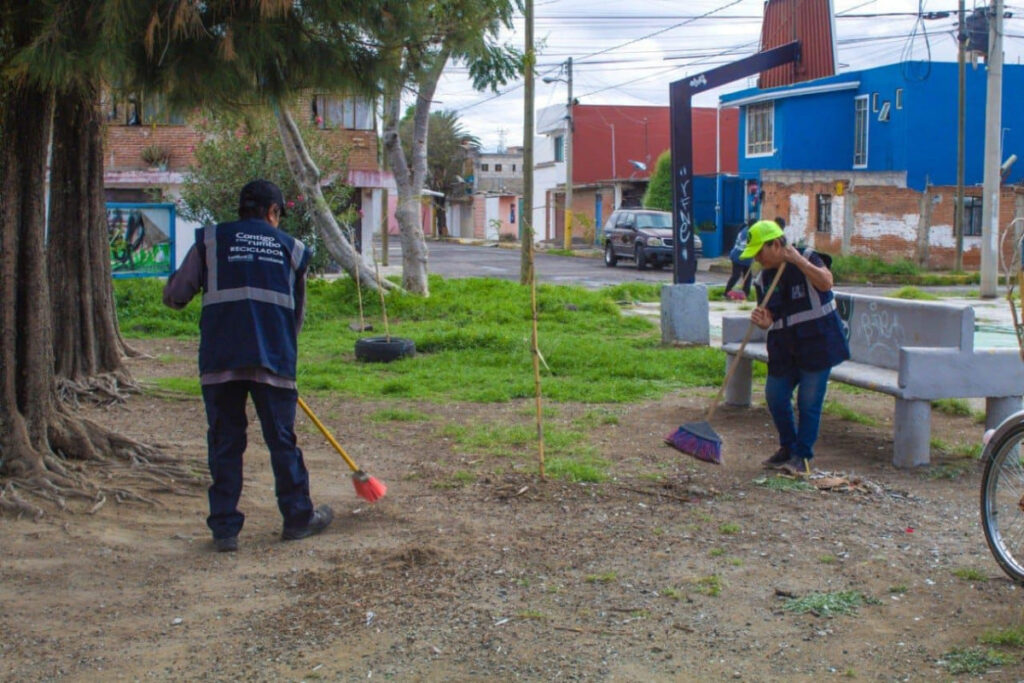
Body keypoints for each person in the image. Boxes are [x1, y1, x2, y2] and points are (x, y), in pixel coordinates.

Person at [163, 180, 333, 552]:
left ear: (241, 209)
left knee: (225, 442)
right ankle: (297, 519)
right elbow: (296, 318)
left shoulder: (210, 241)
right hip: (274, 360)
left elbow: (175, 297)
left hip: (220, 361)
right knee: (282, 441)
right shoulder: (293, 248)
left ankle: (225, 530)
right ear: (274, 212)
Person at [741, 220, 850, 475]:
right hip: (783, 346)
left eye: (760, 251)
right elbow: (770, 318)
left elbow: (826, 283)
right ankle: (788, 448)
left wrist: (799, 261)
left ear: (777, 244)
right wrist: (765, 321)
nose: (757, 258)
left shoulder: (808, 256)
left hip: (817, 342)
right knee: (776, 396)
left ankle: (803, 456)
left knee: (808, 402)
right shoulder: (763, 277)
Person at [724, 220, 754, 300]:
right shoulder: (746, 233)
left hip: (746, 259)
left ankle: (746, 294)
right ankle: (726, 292)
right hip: (738, 258)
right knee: (736, 275)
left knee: (748, 277)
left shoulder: (747, 231)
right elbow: (744, 246)